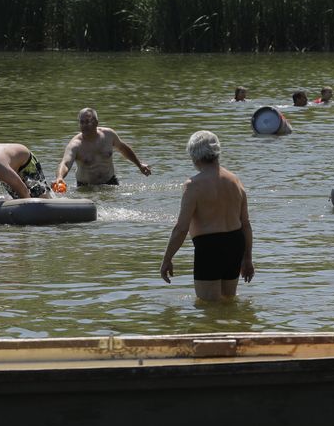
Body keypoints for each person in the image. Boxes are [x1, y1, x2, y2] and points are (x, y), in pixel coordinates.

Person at [160, 131, 254, 302]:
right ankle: (235, 327)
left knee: (208, 306)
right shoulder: (235, 181)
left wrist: (167, 259)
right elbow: (246, 224)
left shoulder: (193, 185)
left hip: (209, 247)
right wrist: (247, 258)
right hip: (235, 243)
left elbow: (181, 228)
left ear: (193, 155)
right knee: (228, 301)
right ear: (217, 151)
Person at [55, 108, 152, 188]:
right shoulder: (75, 145)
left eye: (87, 122)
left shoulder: (109, 135)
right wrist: (60, 177)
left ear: (96, 123)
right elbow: (65, 163)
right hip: (86, 187)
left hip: (110, 182)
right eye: (81, 122)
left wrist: (139, 165)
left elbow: (123, 148)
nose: (84, 125)